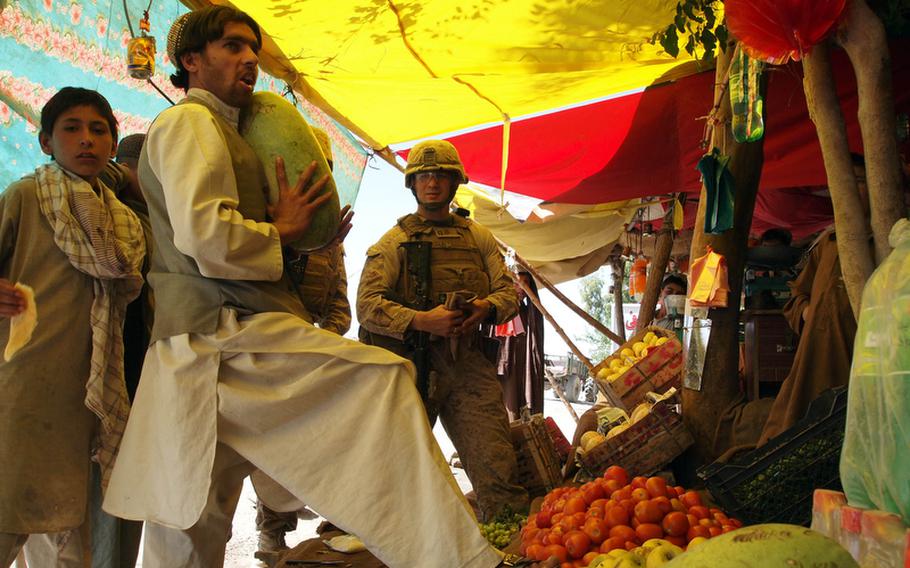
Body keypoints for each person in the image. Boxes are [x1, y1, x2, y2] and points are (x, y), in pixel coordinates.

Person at [100, 7, 505, 568]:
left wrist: (293, 240)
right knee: (383, 378)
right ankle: (458, 560)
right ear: (191, 61)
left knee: (192, 520)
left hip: (203, 350)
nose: (249, 60)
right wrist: (283, 231)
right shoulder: (192, 123)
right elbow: (206, 236)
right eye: (233, 47)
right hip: (219, 340)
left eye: (253, 50)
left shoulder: (229, 132)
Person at [0, 87, 145, 567]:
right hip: (21, 392)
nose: (86, 140)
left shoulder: (123, 224)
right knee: (9, 515)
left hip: (88, 397)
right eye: (71, 129)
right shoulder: (24, 198)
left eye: (98, 130)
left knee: (74, 532)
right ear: (45, 142)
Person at [357, 139, 530, 521]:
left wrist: (485, 307)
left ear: (454, 184)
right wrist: (421, 320)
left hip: (466, 365)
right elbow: (367, 307)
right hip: (411, 367)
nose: (432, 183)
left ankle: (507, 547)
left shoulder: (477, 237)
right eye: (424, 176)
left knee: (497, 468)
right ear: (413, 184)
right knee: (393, 474)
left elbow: (508, 293)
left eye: (441, 176)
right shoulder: (395, 242)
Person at [253, 127, 349, 559]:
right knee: (265, 452)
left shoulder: (332, 243)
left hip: (310, 356)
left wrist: (321, 340)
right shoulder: (262, 219)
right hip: (263, 351)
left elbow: (340, 307)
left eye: (323, 175)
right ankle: (270, 532)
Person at [757, 156, 865, 445]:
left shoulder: (885, 241)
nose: (851, 190)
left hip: (862, 357)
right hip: (816, 352)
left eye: (860, 182)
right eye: (845, 183)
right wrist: (807, 312)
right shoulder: (828, 244)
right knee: (800, 425)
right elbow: (797, 292)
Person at [495, 271, 545, 421]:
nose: (521, 288)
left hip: (521, 369)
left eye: (525, 284)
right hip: (501, 368)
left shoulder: (531, 314)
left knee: (518, 411)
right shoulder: (497, 309)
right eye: (517, 283)